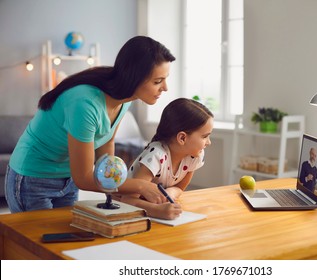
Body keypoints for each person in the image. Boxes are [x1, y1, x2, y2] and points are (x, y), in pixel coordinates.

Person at [5, 36, 176, 213]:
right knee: (35, 239)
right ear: (134, 78)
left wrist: (113, 183)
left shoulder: (126, 98)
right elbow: (84, 178)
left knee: (68, 238)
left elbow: (106, 140)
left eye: (165, 79)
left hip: (68, 178)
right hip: (34, 177)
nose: (165, 88)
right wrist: (139, 186)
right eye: (157, 81)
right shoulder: (85, 104)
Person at [114, 98, 214, 220]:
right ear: (182, 138)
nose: (209, 142)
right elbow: (128, 200)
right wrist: (156, 210)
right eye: (205, 137)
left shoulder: (194, 156)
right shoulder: (156, 156)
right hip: (127, 213)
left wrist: (170, 193)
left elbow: (180, 188)